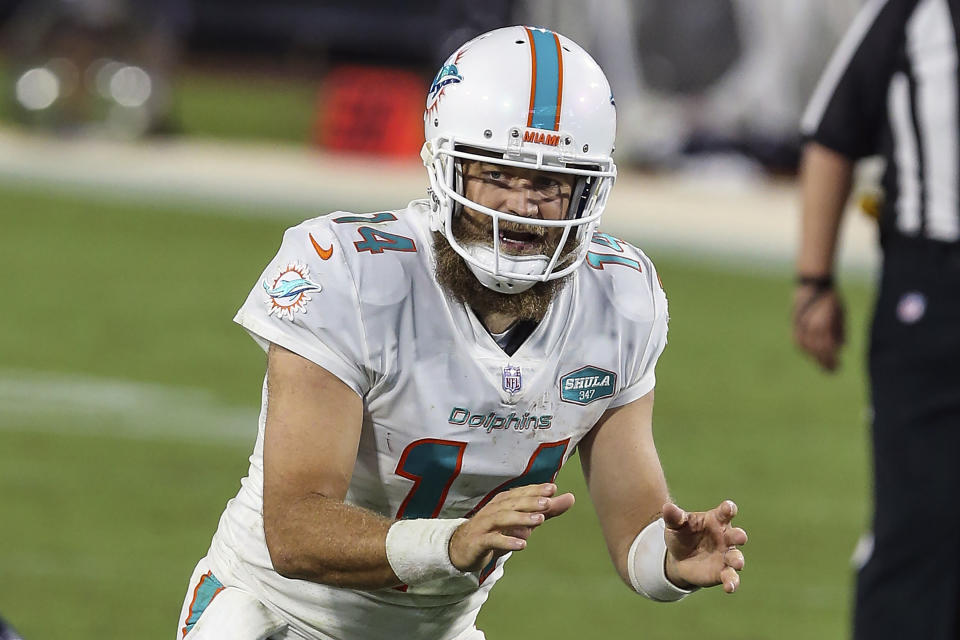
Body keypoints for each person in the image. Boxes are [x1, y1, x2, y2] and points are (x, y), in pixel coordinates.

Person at [176, 26, 748, 640]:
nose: (523, 208)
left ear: (588, 188)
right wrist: (451, 542)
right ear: (448, 166)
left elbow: (636, 524)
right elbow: (295, 531)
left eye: (550, 182)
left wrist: (671, 563)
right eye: (498, 174)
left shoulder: (621, 295)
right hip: (276, 615)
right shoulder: (351, 270)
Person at [794, 1, 960, 638]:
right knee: (920, 522)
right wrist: (814, 281)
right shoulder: (917, 9)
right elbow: (834, 131)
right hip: (936, 287)